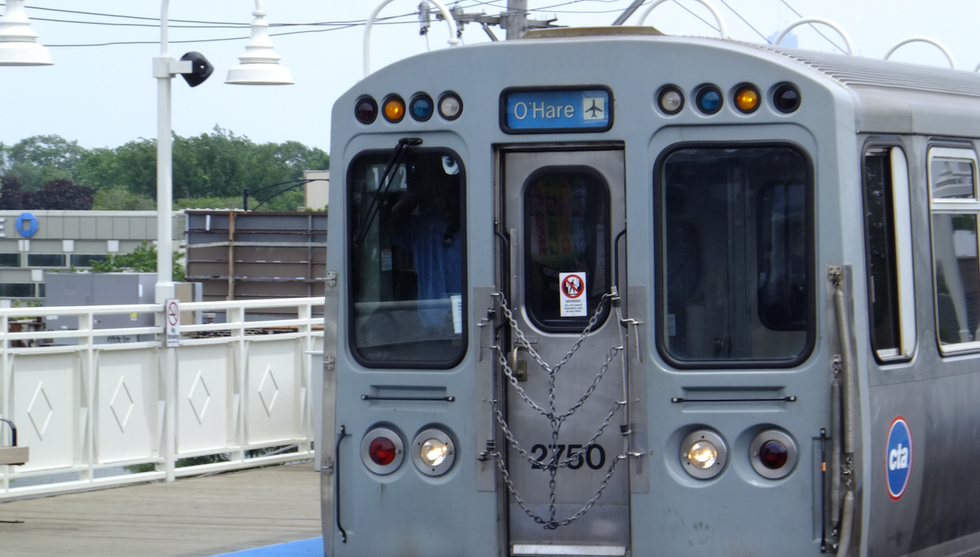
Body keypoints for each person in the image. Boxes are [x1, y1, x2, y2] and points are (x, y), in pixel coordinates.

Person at [390, 156, 463, 331]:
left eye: (450, 193)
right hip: (432, 327)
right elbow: (389, 225)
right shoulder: (423, 228)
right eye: (439, 194)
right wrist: (415, 194)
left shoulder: (476, 227)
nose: (444, 200)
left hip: (471, 324)